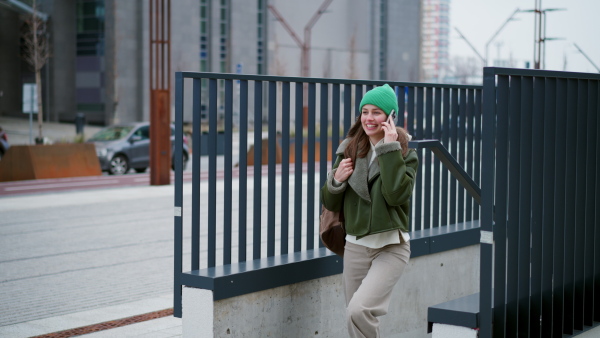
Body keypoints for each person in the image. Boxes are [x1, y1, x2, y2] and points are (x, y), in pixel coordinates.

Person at [320, 84, 418, 337]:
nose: (369, 118)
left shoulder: (406, 153)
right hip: (355, 246)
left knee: (358, 310)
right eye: (365, 112)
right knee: (356, 319)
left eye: (377, 112)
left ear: (390, 116)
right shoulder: (349, 150)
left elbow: (396, 195)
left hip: (391, 247)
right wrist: (336, 181)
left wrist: (388, 149)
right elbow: (330, 205)